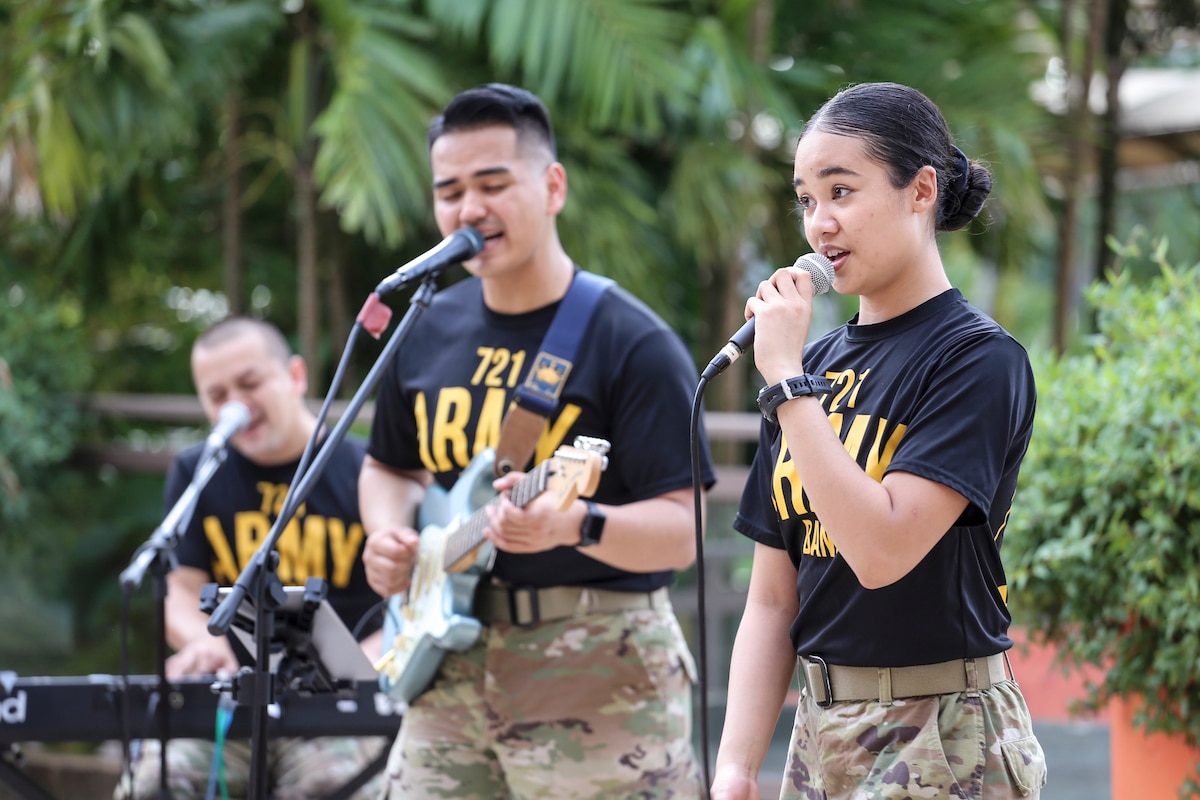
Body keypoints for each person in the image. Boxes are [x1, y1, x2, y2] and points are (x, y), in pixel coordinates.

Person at [360, 83, 715, 799]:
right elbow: (387, 466)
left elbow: (683, 534)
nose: (468, 210)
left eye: (493, 184)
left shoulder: (633, 342)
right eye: (450, 190)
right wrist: (390, 536)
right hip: (447, 666)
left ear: (553, 186)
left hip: (599, 669)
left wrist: (575, 522)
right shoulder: (422, 329)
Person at [710, 82, 1048, 800]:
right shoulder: (810, 366)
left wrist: (787, 384)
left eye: (841, 191)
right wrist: (736, 769)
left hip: (945, 737)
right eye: (806, 199)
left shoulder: (978, 360)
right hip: (819, 735)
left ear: (920, 190)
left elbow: (882, 551)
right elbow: (774, 600)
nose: (819, 224)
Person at [116, 316, 387, 800]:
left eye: (250, 383)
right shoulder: (196, 471)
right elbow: (178, 591)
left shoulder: (366, 472)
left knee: (332, 787)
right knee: (155, 784)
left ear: (296, 377)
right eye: (217, 395)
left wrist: (369, 660)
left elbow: (411, 596)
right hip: (227, 705)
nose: (235, 404)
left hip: (341, 710)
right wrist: (201, 642)